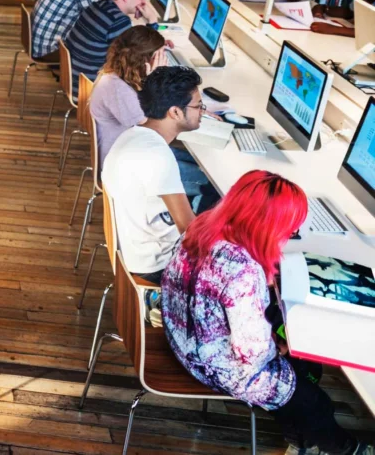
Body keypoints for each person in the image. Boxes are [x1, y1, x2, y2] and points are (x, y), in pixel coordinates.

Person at [163, 171, 375, 455]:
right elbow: (253, 356)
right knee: (313, 401)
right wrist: (281, 348)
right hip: (212, 364)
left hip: (181, 335)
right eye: (289, 230)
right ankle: (343, 448)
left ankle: (298, 433)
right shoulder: (243, 272)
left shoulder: (203, 226)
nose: (288, 237)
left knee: (304, 373)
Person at [100, 66, 208, 284]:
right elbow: (189, 230)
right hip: (155, 265)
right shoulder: (158, 156)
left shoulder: (131, 134)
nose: (203, 111)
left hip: (133, 250)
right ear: (175, 112)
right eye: (198, 106)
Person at [64, 0, 158, 89]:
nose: (143, 2)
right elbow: (138, 60)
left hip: (75, 79)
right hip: (88, 89)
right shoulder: (119, 21)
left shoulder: (97, 6)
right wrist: (152, 22)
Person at [90, 26, 167, 165]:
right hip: (121, 165)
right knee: (200, 177)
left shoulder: (116, 73)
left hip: (128, 150)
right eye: (160, 56)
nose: (164, 60)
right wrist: (155, 82)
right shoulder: (119, 90)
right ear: (145, 61)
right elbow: (155, 130)